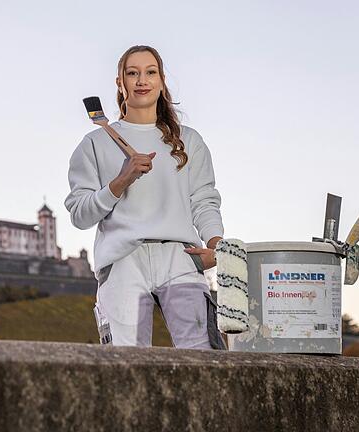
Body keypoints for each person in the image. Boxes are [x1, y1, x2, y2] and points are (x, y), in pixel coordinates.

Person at [64, 45, 225, 349]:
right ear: (120, 83)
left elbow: (204, 200)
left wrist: (217, 247)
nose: (142, 80)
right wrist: (121, 180)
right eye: (132, 73)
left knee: (205, 359)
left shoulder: (189, 141)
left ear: (162, 81)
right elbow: (79, 215)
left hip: (181, 257)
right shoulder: (95, 143)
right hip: (122, 260)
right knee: (126, 367)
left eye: (151, 72)